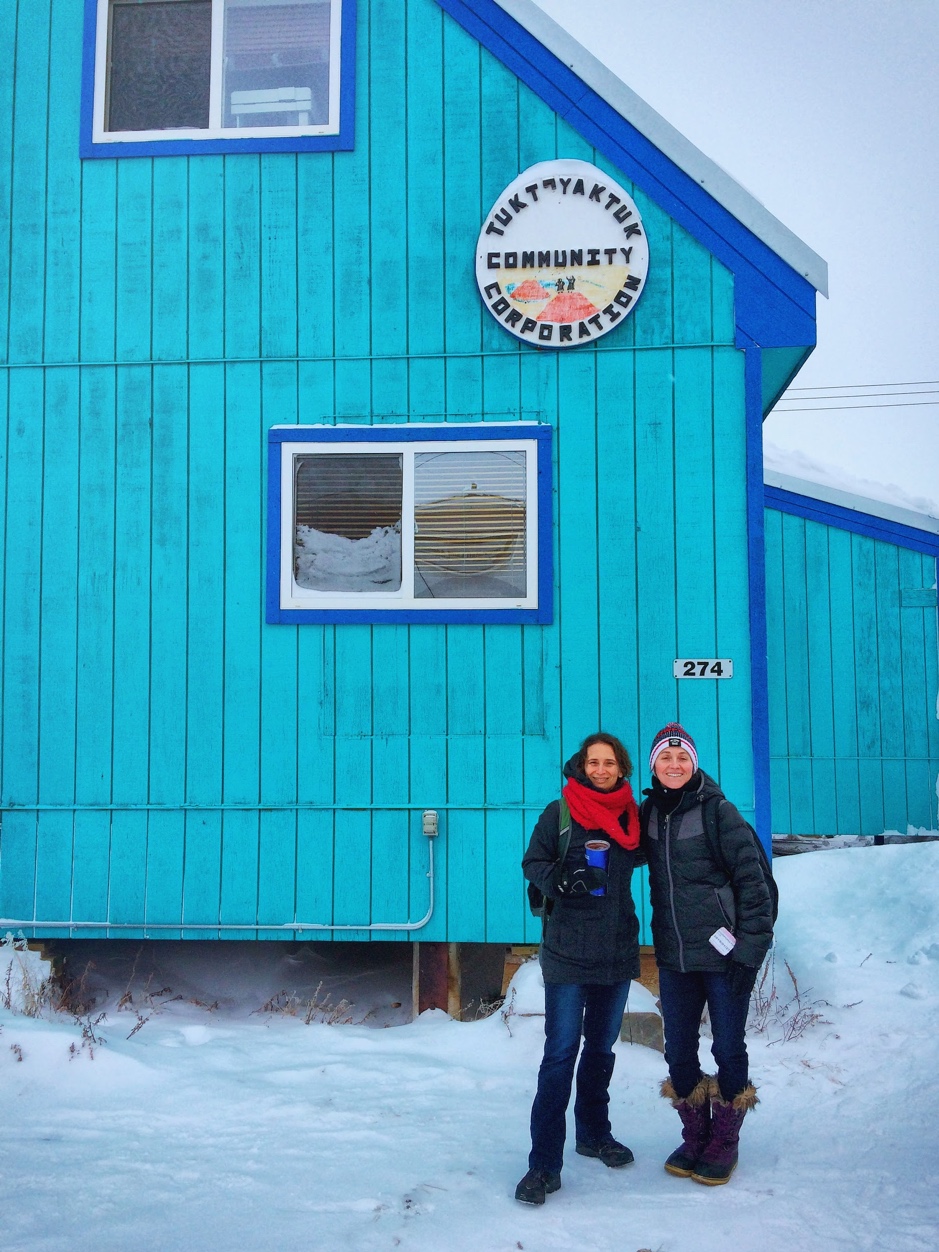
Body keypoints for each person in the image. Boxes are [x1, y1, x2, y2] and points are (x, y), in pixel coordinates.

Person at [639, 723, 774, 1186]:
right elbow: (613, 848)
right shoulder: (650, 814)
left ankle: (725, 1142)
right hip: (676, 956)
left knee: (728, 1046)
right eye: (665, 758)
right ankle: (695, 1135)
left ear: (693, 764)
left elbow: (754, 885)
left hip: (725, 957)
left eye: (682, 759)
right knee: (678, 1050)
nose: (674, 765)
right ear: (654, 765)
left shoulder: (719, 812)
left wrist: (749, 954)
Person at [516, 733, 642, 1206]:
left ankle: (593, 1134)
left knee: (601, 1049)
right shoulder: (561, 812)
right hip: (568, 953)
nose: (602, 769)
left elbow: (665, 853)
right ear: (582, 766)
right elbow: (533, 862)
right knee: (560, 1054)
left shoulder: (632, 816)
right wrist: (563, 879)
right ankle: (543, 1165)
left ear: (621, 768)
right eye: (594, 762)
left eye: (610, 762)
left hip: (616, 950)